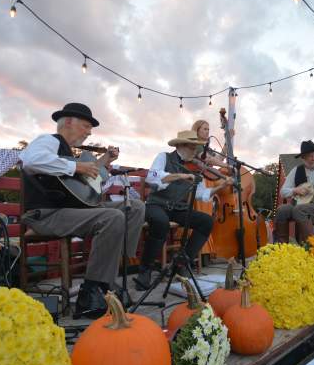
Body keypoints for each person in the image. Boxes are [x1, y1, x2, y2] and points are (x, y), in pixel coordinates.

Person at [19, 102, 145, 319]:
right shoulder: (49, 141)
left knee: (134, 206)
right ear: (68, 121)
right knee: (112, 217)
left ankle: (117, 269)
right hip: (48, 214)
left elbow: (88, 180)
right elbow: (30, 160)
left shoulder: (71, 154)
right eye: (86, 126)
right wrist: (76, 167)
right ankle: (91, 291)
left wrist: (104, 161)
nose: (89, 132)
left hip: (74, 210)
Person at [134, 130, 233, 290]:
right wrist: (179, 176)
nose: (196, 151)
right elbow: (152, 177)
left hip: (178, 208)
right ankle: (145, 270)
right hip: (156, 205)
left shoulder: (195, 167)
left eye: (196, 148)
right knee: (161, 222)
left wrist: (221, 186)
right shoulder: (163, 157)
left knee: (206, 221)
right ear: (181, 145)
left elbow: (202, 194)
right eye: (193, 147)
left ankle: (181, 264)